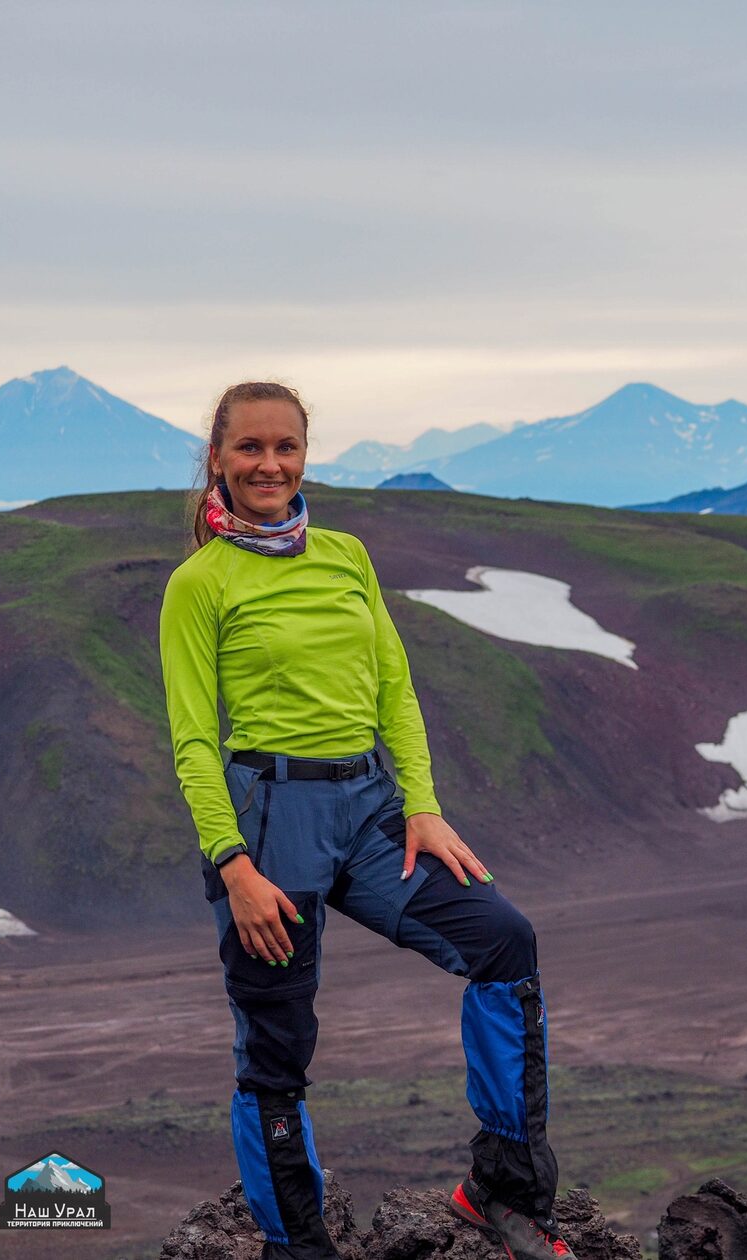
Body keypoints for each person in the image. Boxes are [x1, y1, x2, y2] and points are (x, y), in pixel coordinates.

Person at [158, 381, 571, 1260]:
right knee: (276, 1047)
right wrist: (233, 867)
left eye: (287, 448)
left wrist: (421, 805)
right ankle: (296, 1244)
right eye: (251, 449)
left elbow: (394, 688)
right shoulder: (200, 584)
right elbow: (194, 742)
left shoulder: (345, 555)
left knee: (503, 941)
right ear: (219, 461)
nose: (270, 464)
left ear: (307, 455)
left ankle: (503, 1191)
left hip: (372, 810)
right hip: (271, 826)